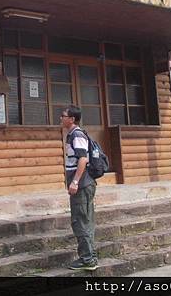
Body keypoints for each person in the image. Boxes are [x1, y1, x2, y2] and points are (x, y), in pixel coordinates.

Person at [61, 105, 98, 271]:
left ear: (72, 119)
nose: (61, 118)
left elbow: (82, 159)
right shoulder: (74, 135)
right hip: (85, 183)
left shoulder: (76, 135)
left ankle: (87, 259)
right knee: (86, 220)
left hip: (82, 185)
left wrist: (75, 182)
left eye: (63, 116)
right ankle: (90, 255)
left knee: (80, 221)